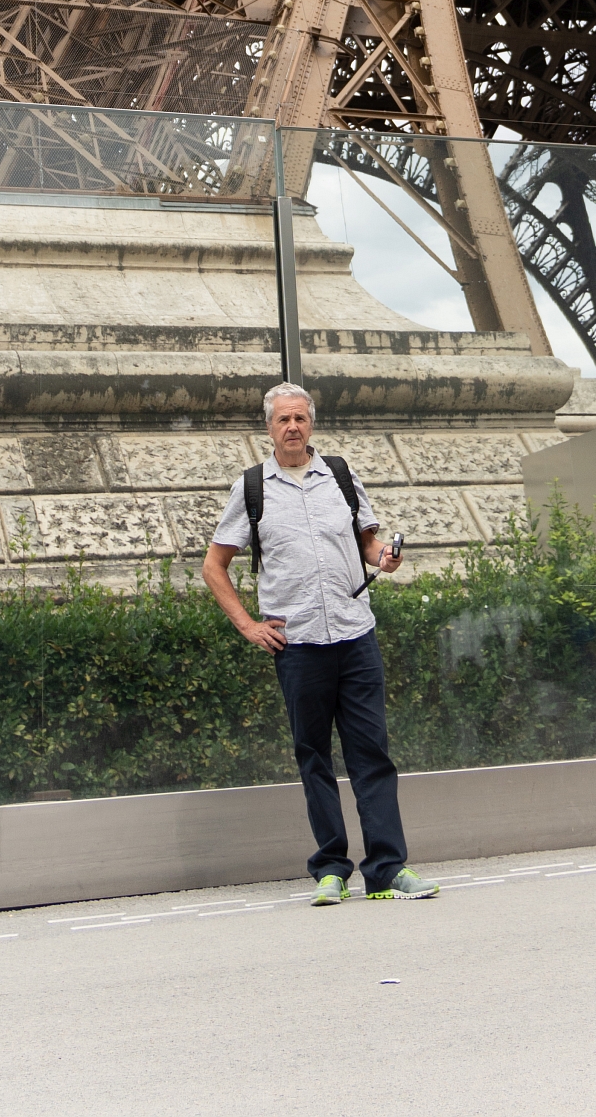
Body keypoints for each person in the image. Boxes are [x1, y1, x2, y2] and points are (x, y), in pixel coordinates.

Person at [204, 381, 439, 904]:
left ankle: (387, 870)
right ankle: (331, 868)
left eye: (300, 419)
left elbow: (367, 541)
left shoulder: (339, 474)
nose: (292, 427)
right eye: (282, 420)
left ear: (312, 424)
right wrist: (248, 625)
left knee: (371, 754)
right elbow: (213, 565)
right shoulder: (252, 490)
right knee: (314, 758)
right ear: (268, 428)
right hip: (299, 644)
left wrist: (383, 557)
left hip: (355, 634)